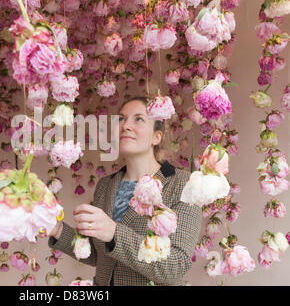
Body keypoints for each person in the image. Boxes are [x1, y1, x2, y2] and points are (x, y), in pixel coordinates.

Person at [48, 96, 203, 286]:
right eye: (121, 118)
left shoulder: (184, 185)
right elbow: (100, 255)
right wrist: (57, 229)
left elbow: (176, 267)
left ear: (157, 137)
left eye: (138, 119)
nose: (125, 125)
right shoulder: (105, 185)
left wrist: (114, 232)